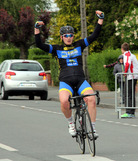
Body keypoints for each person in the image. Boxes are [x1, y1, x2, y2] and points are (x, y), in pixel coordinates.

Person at [34, 10, 104, 138]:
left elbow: (94, 35)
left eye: (70, 35)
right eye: (65, 36)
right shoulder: (56, 49)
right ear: (61, 37)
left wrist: (100, 20)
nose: (68, 37)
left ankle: (93, 129)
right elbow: (39, 44)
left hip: (81, 80)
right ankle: (71, 123)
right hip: (66, 81)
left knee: (92, 99)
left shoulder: (79, 45)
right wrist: (37, 29)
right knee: (64, 101)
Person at [120, 42, 138, 118]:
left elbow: (127, 64)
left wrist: (125, 72)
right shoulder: (131, 54)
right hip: (133, 76)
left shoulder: (127, 55)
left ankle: (129, 112)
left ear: (122, 49)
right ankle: (132, 112)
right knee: (131, 94)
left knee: (128, 94)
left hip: (131, 76)